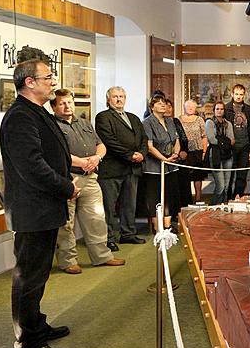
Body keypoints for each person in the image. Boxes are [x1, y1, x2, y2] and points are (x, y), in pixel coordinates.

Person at [1, 57, 81, 348]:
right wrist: (67, 187)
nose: (53, 81)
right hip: (32, 211)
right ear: (29, 82)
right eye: (47, 77)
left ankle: (37, 325)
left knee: (38, 275)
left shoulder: (36, 111)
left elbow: (50, 155)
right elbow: (32, 167)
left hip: (44, 209)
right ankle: (28, 344)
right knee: (28, 278)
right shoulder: (20, 117)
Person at [51, 89, 124, 274]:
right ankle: (68, 261)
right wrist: (82, 162)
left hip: (90, 178)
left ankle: (102, 257)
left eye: (69, 102)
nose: (67, 106)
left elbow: (100, 145)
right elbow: (57, 154)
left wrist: (97, 158)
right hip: (68, 178)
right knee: (66, 223)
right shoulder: (51, 126)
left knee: (96, 218)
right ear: (53, 106)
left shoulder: (84, 123)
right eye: (62, 103)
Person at [96, 86, 147, 248]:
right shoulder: (103, 117)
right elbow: (109, 141)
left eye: (122, 96)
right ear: (108, 100)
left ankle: (128, 234)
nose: (119, 99)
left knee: (129, 204)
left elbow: (144, 139)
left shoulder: (133, 118)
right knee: (109, 207)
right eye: (115, 97)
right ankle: (109, 238)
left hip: (132, 169)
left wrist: (142, 154)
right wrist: (130, 155)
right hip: (113, 168)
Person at [141, 95, 181, 229]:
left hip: (171, 165)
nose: (163, 105)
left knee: (169, 196)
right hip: (154, 167)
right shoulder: (147, 123)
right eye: (159, 103)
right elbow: (149, 146)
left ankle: (168, 226)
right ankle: (158, 228)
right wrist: (164, 159)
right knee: (155, 197)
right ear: (152, 107)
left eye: (164, 103)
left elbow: (176, 141)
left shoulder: (170, 121)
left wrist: (175, 154)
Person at [224, 84, 250, 199]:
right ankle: (227, 198)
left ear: (244, 95)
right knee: (229, 174)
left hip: (244, 146)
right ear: (232, 94)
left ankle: (238, 196)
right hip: (231, 147)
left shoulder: (248, 109)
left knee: (242, 174)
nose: (238, 96)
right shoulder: (226, 109)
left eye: (241, 94)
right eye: (236, 94)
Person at [206, 101, 235, 204]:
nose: (219, 111)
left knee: (227, 186)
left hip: (227, 155)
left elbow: (232, 140)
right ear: (214, 110)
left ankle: (223, 206)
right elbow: (212, 140)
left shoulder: (228, 124)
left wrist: (222, 140)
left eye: (221, 109)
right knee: (220, 186)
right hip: (215, 155)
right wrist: (225, 141)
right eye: (217, 109)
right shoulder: (210, 122)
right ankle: (213, 206)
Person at [165, 98, 190, 221]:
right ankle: (172, 215)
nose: (168, 108)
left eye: (170, 106)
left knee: (183, 186)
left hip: (181, 157)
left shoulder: (175, 121)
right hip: (167, 159)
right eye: (166, 106)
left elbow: (183, 137)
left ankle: (183, 212)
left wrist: (182, 151)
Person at [179, 99, 207, 203]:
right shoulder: (179, 119)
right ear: (184, 107)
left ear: (196, 108)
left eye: (192, 106)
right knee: (185, 176)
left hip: (198, 150)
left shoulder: (199, 119)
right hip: (184, 151)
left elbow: (204, 136)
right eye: (188, 106)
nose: (190, 108)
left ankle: (198, 197)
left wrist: (204, 152)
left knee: (198, 175)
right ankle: (187, 199)